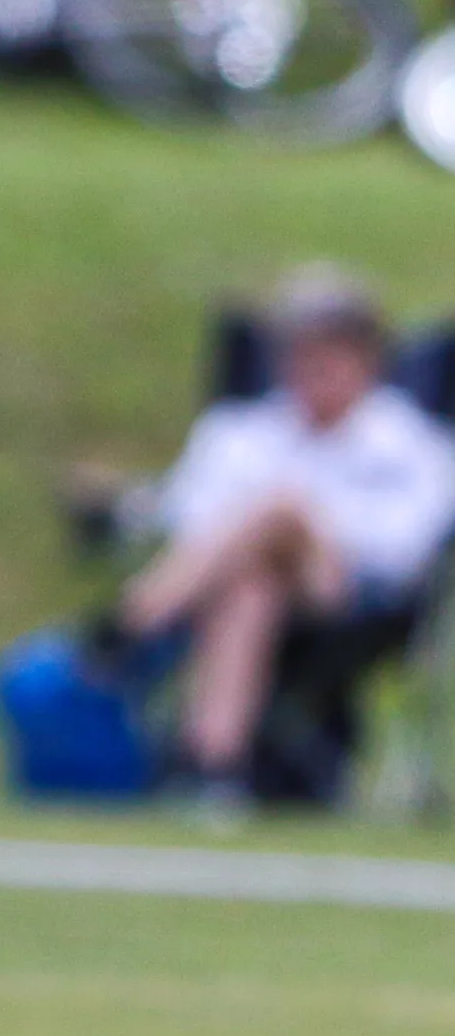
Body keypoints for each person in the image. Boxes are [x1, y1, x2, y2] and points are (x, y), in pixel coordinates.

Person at [115, 265, 455, 800]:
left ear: (369, 360)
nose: (316, 367)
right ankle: (214, 768)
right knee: (254, 587)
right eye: (304, 351)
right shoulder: (238, 429)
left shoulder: (411, 442)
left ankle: (129, 625)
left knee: (282, 509)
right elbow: (186, 515)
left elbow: (407, 548)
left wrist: (306, 525)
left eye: (334, 353)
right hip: (233, 583)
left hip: (354, 596)